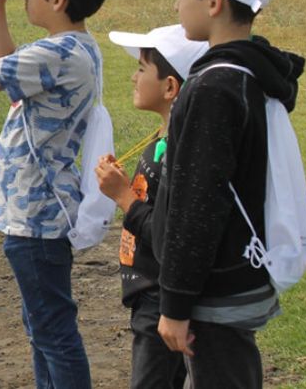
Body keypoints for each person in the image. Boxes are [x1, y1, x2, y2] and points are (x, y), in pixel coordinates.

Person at [133, 0, 305, 388]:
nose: (175, 6)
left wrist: (175, 304)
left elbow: (197, 205)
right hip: (237, 274)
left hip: (214, 287)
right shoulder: (247, 73)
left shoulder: (212, 87)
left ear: (211, 0)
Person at [0, 0, 118, 389]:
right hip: (42, 212)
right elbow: (6, 67)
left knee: (54, 334)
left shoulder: (55, 53)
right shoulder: (75, 47)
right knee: (43, 330)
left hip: (38, 218)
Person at [95, 24, 208, 389]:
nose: (133, 75)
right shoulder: (163, 137)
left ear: (171, 88)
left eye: (142, 68)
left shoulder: (179, 150)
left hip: (161, 297)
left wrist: (123, 196)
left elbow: (167, 231)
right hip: (150, 295)